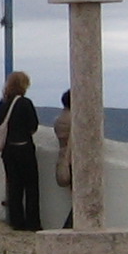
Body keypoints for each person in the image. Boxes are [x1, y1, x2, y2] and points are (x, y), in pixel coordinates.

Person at [0, 70, 42, 231]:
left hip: (8, 150)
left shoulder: (2, 105)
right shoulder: (25, 103)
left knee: (14, 186)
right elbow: (33, 126)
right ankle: (33, 222)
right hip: (24, 148)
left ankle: (16, 221)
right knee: (31, 186)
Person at [54, 89, 74, 229]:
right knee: (81, 199)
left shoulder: (59, 119)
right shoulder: (74, 120)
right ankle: (68, 227)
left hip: (63, 157)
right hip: (73, 159)